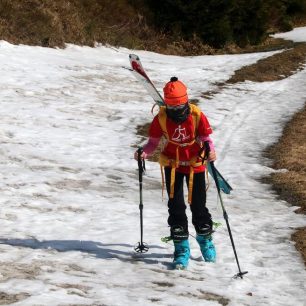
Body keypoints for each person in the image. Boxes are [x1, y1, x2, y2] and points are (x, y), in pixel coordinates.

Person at [134, 77, 216, 269]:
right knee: (176, 207)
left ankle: (205, 241)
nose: (177, 112)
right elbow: (153, 143)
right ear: (167, 106)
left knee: (199, 206)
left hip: (196, 164)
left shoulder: (196, 115)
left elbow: (206, 138)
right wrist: (143, 152)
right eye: (173, 109)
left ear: (186, 102)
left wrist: (210, 150)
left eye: (180, 107)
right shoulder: (161, 118)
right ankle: (181, 249)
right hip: (173, 166)